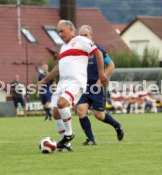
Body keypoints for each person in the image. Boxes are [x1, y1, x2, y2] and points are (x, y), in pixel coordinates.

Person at [38, 20, 108, 151]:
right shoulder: (63, 47)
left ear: (71, 30)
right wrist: (44, 80)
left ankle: (69, 134)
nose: (60, 34)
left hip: (76, 82)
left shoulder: (81, 40)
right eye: (58, 32)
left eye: (62, 31)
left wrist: (101, 73)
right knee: (56, 112)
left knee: (61, 103)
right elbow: (58, 67)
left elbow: (97, 53)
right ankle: (66, 145)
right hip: (62, 84)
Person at [76, 25, 124, 145]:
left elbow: (111, 65)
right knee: (81, 111)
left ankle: (117, 125)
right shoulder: (77, 51)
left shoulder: (98, 49)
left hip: (98, 86)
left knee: (99, 115)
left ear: (91, 36)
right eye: (81, 35)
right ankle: (91, 139)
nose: (83, 38)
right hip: (83, 87)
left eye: (85, 35)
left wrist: (101, 78)